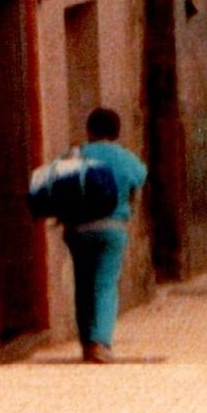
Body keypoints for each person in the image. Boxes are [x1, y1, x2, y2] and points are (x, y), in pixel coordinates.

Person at [56, 108, 149, 363]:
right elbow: (138, 182)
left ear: (90, 130)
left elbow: (58, 185)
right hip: (112, 228)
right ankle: (100, 342)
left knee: (83, 284)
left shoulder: (75, 154)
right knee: (105, 284)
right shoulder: (127, 159)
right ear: (117, 132)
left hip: (78, 230)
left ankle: (86, 343)